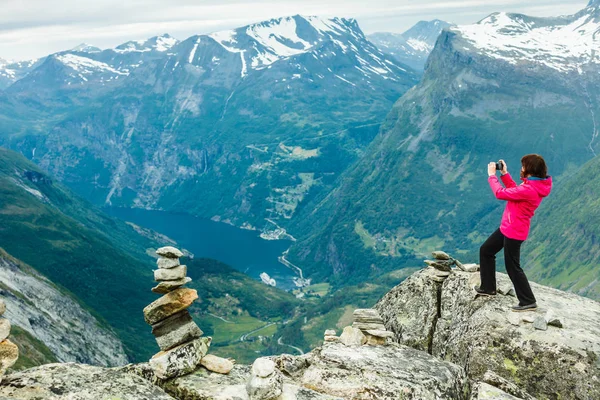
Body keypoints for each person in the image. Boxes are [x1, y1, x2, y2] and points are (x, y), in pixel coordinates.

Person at [474, 154, 552, 312]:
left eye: (523, 166)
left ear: (529, 170)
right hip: (508, 227)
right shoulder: (532, 186)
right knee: (486, 250)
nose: (521, 169)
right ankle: (488, 287)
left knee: (512, 266)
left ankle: (528, 300)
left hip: (514, 231)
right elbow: (514, 190)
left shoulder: (529, 189)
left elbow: (500, 193)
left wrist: (492, 176)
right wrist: (504, 174)